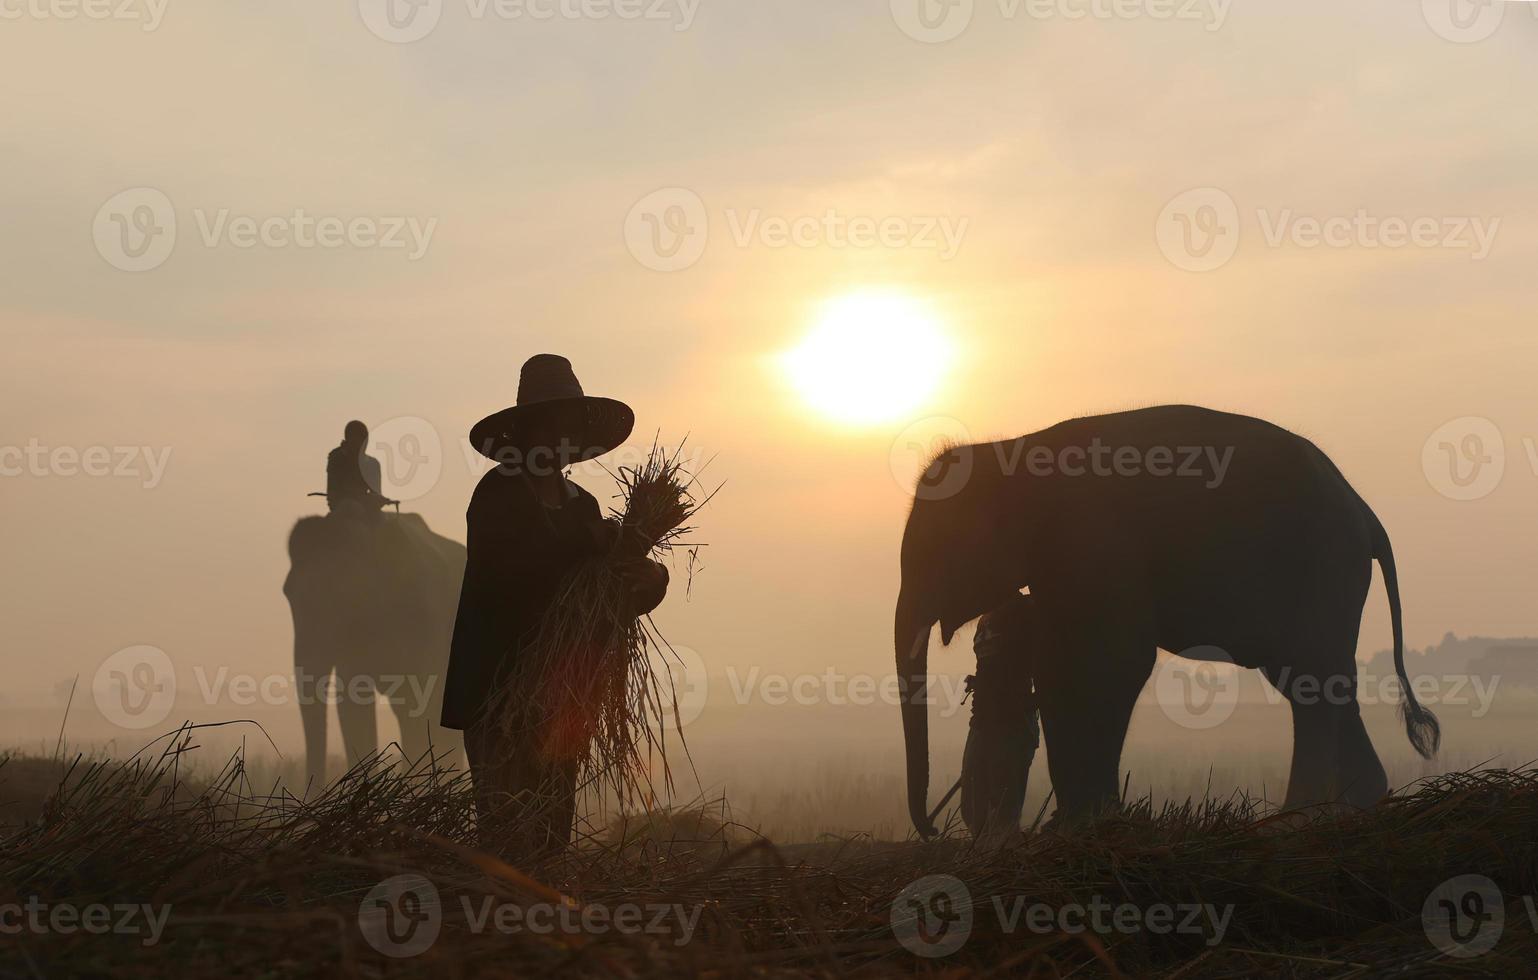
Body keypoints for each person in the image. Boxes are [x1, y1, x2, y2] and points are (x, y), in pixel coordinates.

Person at [441, 354, 668, 856]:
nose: (561, 437)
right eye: (551, 423)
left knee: (550, 836)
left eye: (570, 425)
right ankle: (502, 926)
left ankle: (541, 922)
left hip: (564, 700)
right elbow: (512, 574)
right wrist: (594, 540)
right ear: (525, 431)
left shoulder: (582, 504)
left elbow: (605, 595)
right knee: (506, 833)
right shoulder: (498, 494)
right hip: (500, 693)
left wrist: (652, 577)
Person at [326, 421, 389, 519]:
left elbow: (375, 491)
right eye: (359, 440)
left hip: (367, 507)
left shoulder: (372, 463)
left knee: (381, 519)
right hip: (342, 507)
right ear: (349, 439)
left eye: (365, 440)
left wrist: (377, 499)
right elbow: (333, 492)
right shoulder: (337, 458)